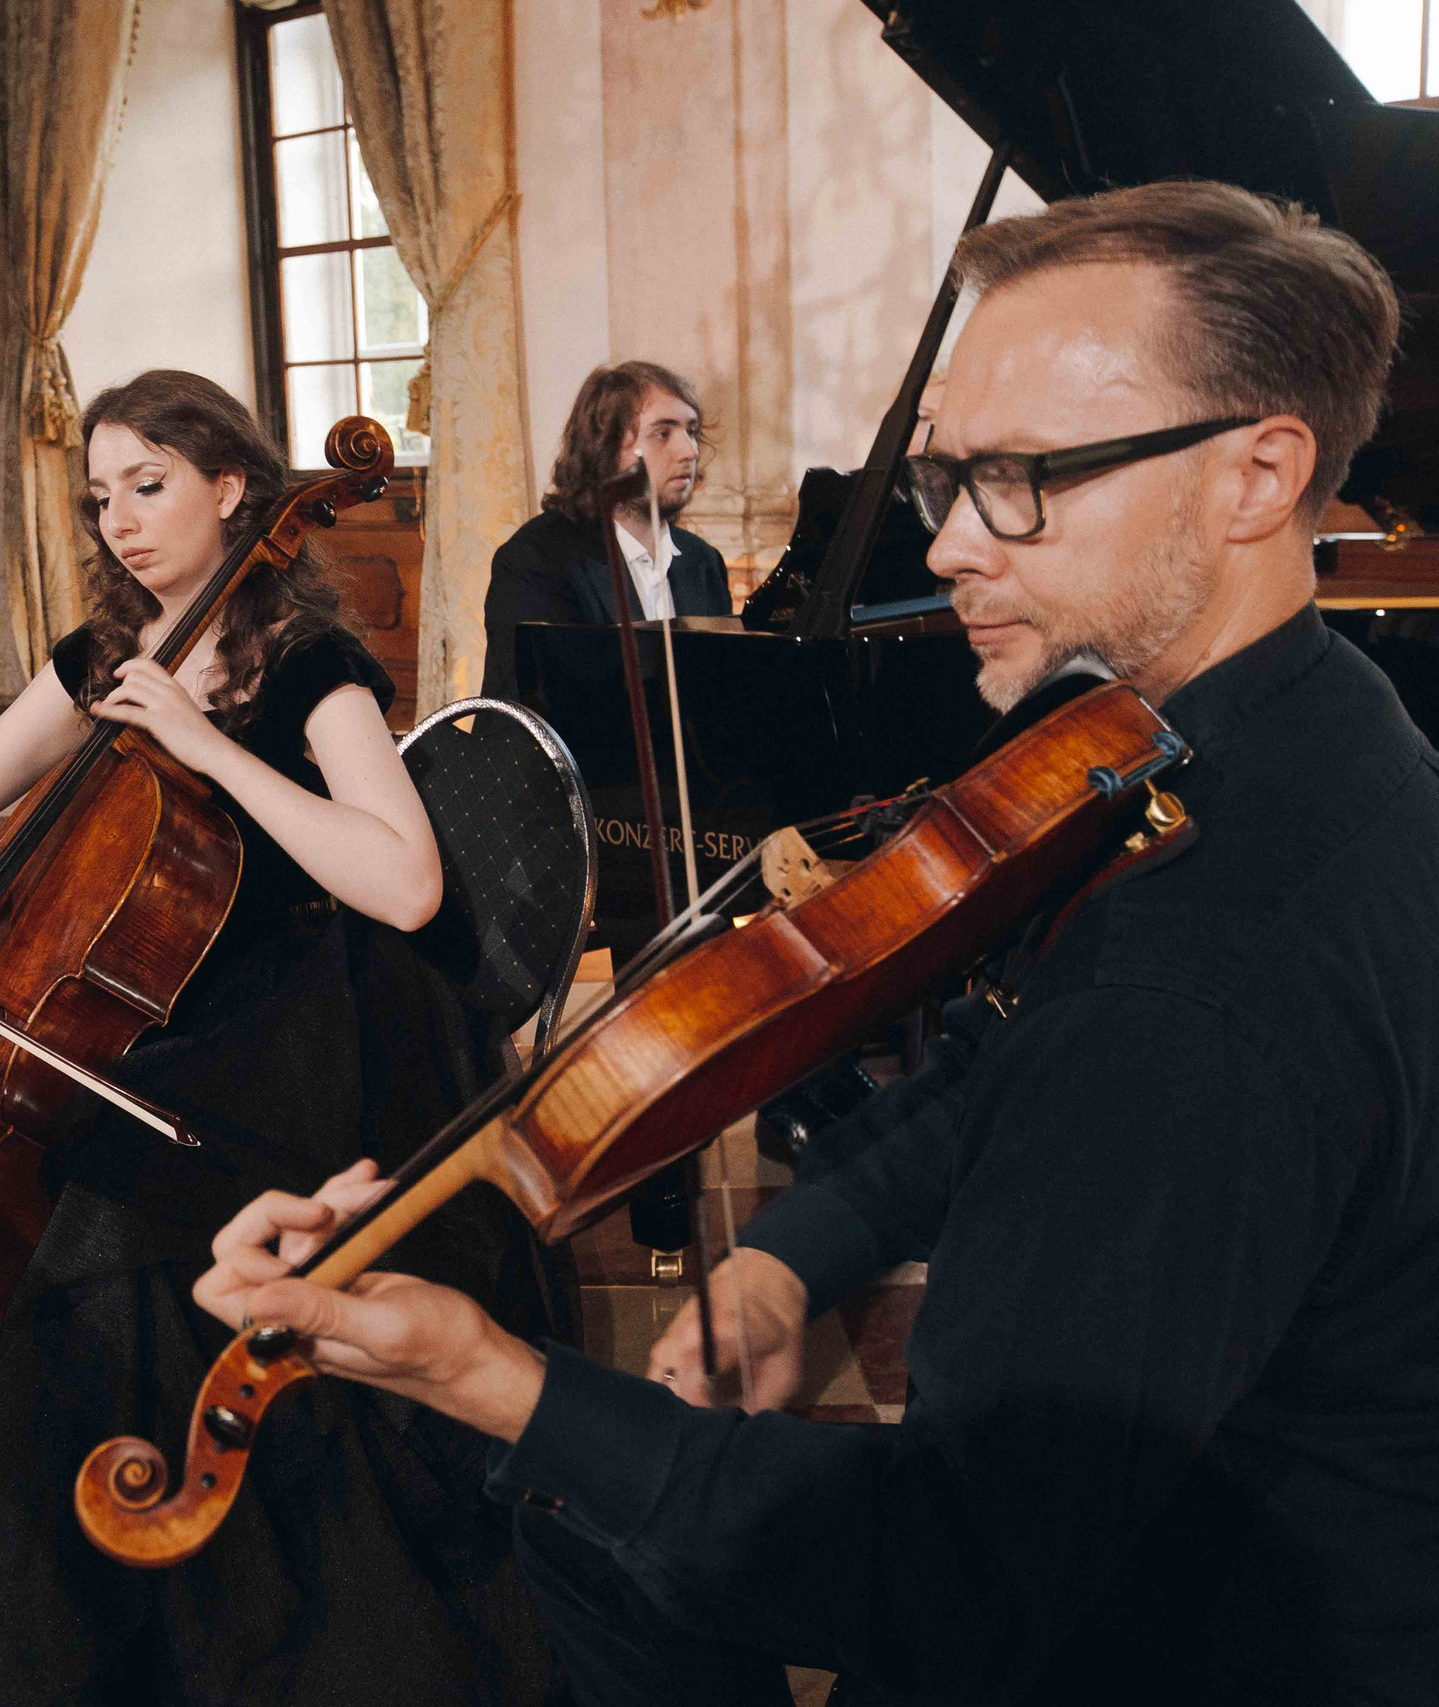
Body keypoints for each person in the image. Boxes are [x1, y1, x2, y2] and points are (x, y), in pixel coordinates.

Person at [194, 179, 1439, 1704]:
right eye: (944, 482)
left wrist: (489, 1374)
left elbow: (951, 1572)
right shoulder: (1308, 725)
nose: (959, 548)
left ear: (1259, 474)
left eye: (1023, 480)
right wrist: (794, 1253)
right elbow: (994, 1065)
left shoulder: (1195, 983)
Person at [0, 370, 562, 1705]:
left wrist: (212, 749)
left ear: (231, 486)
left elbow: (405, 882)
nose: (122, 522)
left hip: (297, 1024)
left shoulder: (310, 665)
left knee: (113, 1219)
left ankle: (206, 1619)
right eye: (102, 498)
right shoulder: (105, 654)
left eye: (147, 485)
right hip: (153, 1019)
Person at [481, 361, 733, 701]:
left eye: (691, 430)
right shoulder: (536, 561)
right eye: (663, 433)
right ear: (606, 447)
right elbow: (539, 714)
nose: (689, 451)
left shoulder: (703, 562)